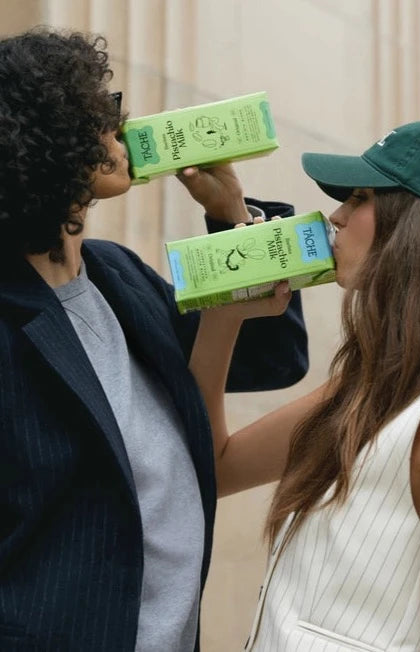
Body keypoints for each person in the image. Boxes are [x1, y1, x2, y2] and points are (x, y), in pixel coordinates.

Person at [0, 27, 309, 652]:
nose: (122, 126)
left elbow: (272, 357)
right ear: (50, 139)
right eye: (101, 112)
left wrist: (229, 216)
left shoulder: (119, 275)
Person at [189, 119, 420, 651]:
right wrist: (224, 317)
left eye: (362, 197)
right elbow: (212, 467)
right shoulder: (379, 385)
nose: (336, 216)